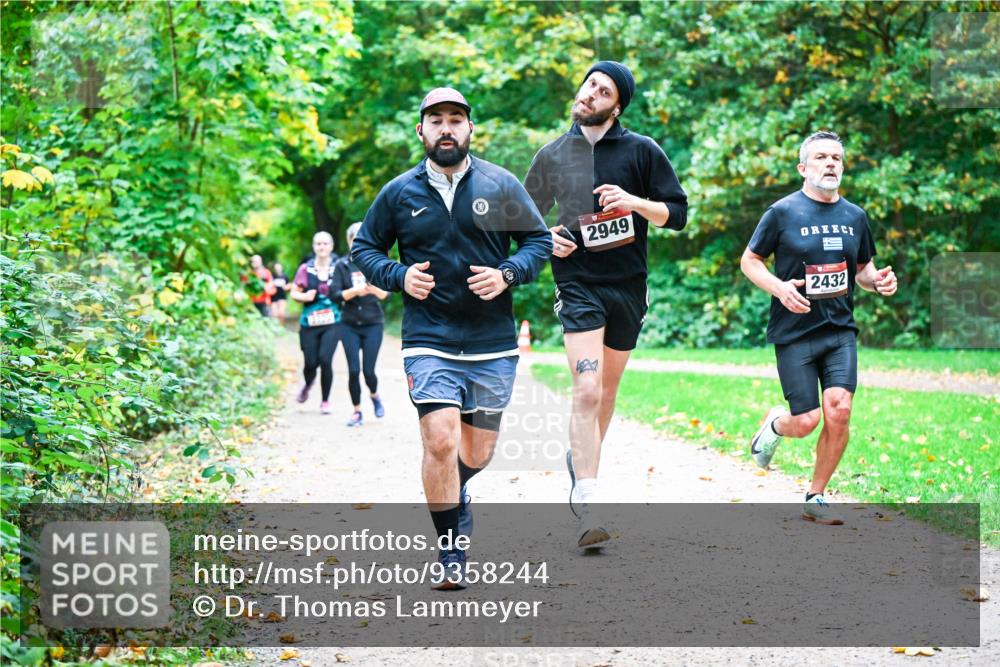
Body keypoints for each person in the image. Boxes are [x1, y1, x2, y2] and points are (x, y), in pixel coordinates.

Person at [352, 87, 551, 589]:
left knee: (477, 453)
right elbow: (366, 249)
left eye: (455, 120)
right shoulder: (399, 192)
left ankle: (453, 491)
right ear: (420, 130)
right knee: (439, 440)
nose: (446, 128)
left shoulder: (501, 184)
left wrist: (508, 273)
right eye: (436, 120)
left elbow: (539, 240)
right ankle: (450, 548)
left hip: (492, 340)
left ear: (469, 129)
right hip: (429, 336)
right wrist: (399, 277)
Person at [523, 61, 688, 548]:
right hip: (577, 284)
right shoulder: (553, 155)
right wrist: (546, 238)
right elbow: (523, 218)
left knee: (607, 393)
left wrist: (635, 202)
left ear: (617, 106)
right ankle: (588, 500)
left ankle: (583, 459)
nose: (590, 93)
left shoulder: (642, 151)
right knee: (588, 390)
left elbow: (676, 214)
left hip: (628, 287)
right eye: (589, 84)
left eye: (603, 90)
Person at [740, 130, 897, 525]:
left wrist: (878, 281)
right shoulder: (782, 212)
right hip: (794, 332)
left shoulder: (855, 217)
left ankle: (816, 494)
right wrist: (778, 288)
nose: (830, 164)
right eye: (822, 157)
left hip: (840, 330)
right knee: (807, 420)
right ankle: (776, 425)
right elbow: (750, 261)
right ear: (803, 167)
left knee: (840, 410)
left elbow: (861, 270)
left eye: (836, 158)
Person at [334, 222, 390, 427]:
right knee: (353, 369)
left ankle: (375, 396)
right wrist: (355, 291)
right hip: (348, 324)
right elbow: (335, 295)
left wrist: (373, 289)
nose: (358, 241)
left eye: (362, 237)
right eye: (354, 238)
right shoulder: (341, 265)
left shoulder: (376, 262)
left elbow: (385, 294)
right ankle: (357, 411)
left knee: (368, 371)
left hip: (372, 323)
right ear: (349, 241)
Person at [289, 232, 342, 415]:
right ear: (314, 247)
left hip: (332, 321)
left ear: (331, 247)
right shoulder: (305, 268)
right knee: (310, 363)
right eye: (318, 243)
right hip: (309, 323)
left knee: (326, 360)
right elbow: (294, 292)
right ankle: (308, 383)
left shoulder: (339, 267)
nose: (322, 247)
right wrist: (304, 296)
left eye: (325, 243)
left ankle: (325, 401)